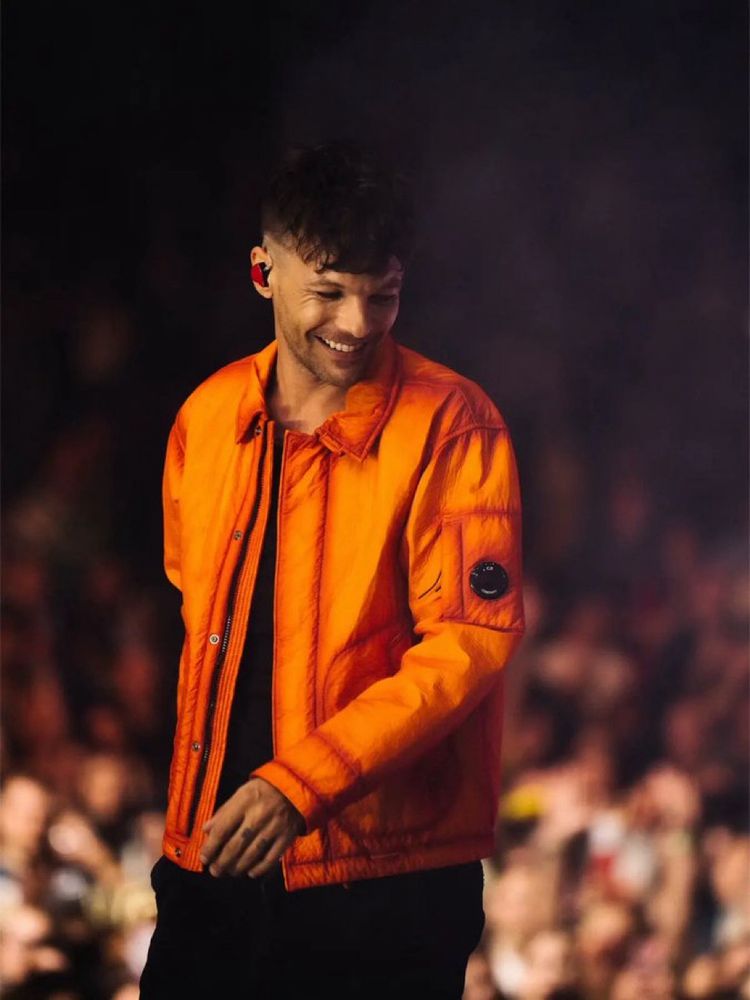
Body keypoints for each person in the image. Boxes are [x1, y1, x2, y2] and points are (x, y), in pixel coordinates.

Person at [139, 142, 525, 999]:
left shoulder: (455, 423)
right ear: (262, 273)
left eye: (381, 294)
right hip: (213, 868)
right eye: (328, 291)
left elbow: (469, 641)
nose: (356, 321)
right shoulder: (206, 417)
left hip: (387, 890)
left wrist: (299, 785)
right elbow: (187, 595)